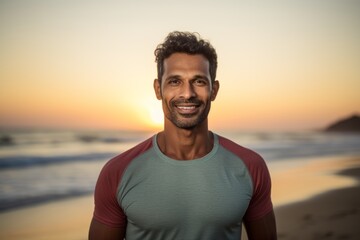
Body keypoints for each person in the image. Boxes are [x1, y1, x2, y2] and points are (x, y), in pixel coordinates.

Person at [89, 31, 277, 240]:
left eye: (199, 81)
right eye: (175, 81)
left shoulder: (251, 167)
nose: (187, 93)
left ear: (214, 90)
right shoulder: (117, 173)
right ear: (158, 88)